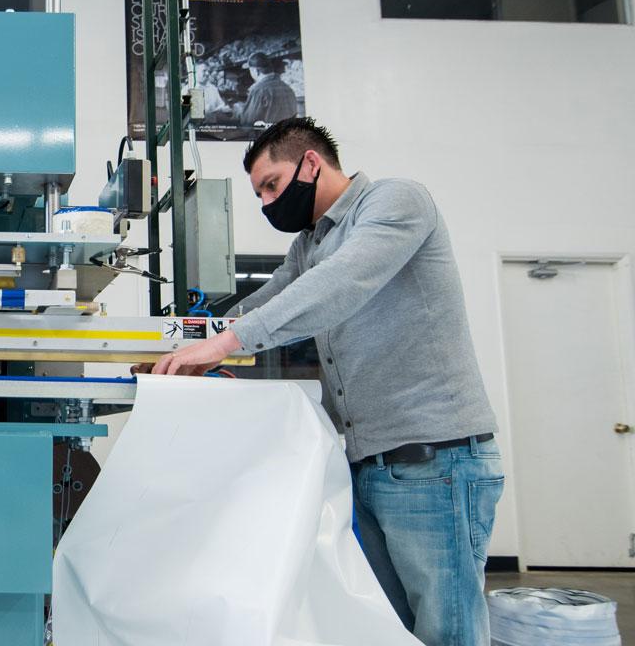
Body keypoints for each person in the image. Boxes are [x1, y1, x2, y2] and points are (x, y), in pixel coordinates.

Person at [144, 118, 502, 646]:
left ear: (311, 163)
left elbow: (339, 284)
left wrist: (222, 344)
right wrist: (189, 344)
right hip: (373, 462)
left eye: (272, 184)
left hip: (436, 459)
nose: (268, 203)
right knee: (391, 629)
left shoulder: (396, 201)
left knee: (446, 631)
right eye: (260, 193)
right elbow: (266, 303)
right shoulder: (311, 243)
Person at [235, 52, 299, 126]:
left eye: (250, 71)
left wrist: (240, 111)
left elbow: (248, 123)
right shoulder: (287, 88)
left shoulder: (258, 90)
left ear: (256, 71)